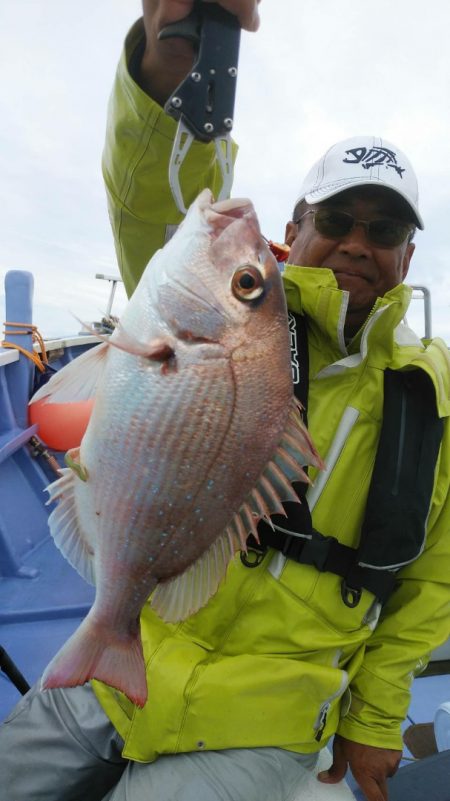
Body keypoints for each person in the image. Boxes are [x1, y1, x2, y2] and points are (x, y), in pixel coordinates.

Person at [1, 2, 449, 801]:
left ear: (409, 253)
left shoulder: (435, 395)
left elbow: (434, 584)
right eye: (337, 217)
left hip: (266, 717)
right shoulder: (248, 323)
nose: (357, 240)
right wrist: (173, 64)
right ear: (293, 227)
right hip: (131, 655)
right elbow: (159, 196)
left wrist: (378, 719)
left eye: (383, 228)